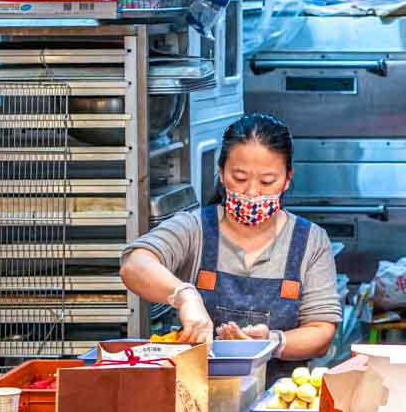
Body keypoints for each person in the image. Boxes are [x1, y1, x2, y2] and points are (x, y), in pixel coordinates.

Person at [120, 113, 341, 379]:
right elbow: (134, 264)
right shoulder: (196, 229)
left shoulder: (310, 241)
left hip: (276, 404)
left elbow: (321, 331)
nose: (251, 192)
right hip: (196, 397)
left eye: (267, 181)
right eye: (239, 177)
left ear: (287, 179)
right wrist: (184, 295)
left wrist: (271, 343)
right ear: (222, 173)